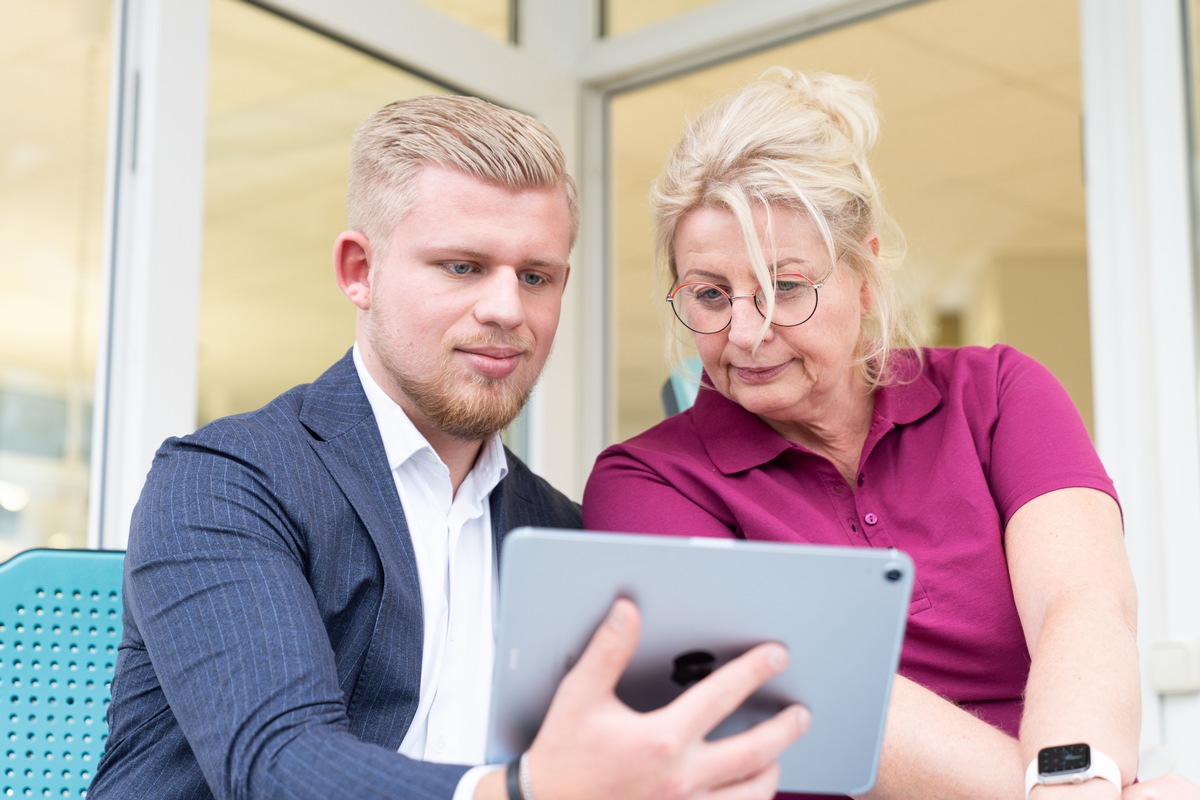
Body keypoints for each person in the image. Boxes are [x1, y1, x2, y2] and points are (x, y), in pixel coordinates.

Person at [88, 94, 809, 800]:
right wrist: (526, 791)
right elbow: (276, 766)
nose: (506, 309)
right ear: (359, 272)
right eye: (462, 266)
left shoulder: (556, 529)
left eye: (536, 277)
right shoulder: (227, 481)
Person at [583, 68, 1200, 800]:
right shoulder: (645, 481)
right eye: (711, 295)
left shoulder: (996, 393)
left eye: (785, 288)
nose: (743, 334)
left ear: (865, 277)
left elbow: (1083, 604)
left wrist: (1077, 780)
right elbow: (820, 693)